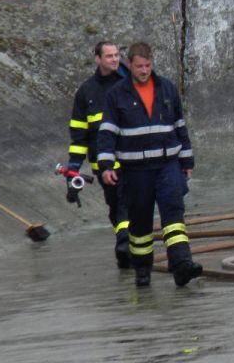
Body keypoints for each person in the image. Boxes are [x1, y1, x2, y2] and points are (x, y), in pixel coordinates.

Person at [97, 41, 202, 289]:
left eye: (147, 65)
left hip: (167, 167)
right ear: (129, 65)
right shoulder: (117, 94)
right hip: (135, 172)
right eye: (139, 66)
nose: (144, 70)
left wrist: (187, 161)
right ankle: (142, 270)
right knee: (140, 224)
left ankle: (181, 265)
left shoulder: (166, 88)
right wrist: (106, 165)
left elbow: (180, 127)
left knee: (174, 216)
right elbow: (107, 133)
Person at [67, 40, 130, 268]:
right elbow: (78, 136)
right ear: (98, 59)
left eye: (117, 55)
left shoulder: (127, 83)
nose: (115, 59)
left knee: (126, 200)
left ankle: (125, 243)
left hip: (128, 157)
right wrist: (72, 171)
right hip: (101, 163)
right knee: (114, 205)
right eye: (109, 56)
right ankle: (124, 245)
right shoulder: (86, 92)